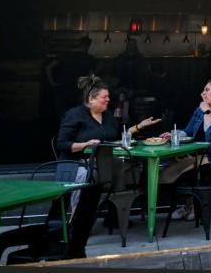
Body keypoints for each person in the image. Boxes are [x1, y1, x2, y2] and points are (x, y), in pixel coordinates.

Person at [55, 75, 159, 211]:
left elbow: (118, 136)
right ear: (91, 99)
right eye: (104, 97)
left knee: (129, 167)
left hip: (104, 162)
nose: (108, 100)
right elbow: (62, 144)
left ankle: (115, 214)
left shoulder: (107, 115)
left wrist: (139, 126)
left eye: (108, 96)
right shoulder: (74, 115)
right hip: (78, 163)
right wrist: (86, 144)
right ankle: (77, 218)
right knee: (89, 173)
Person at [159, 80, 211, 218]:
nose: (203, 93)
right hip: (195, 155)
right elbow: (188, 131)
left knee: (181, 173)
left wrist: (207, 112)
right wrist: (174, 135)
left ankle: (193, 208)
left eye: (207, 90)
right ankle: (189, 206)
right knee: (166, 168)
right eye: (203, 90)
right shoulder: (200, 109)